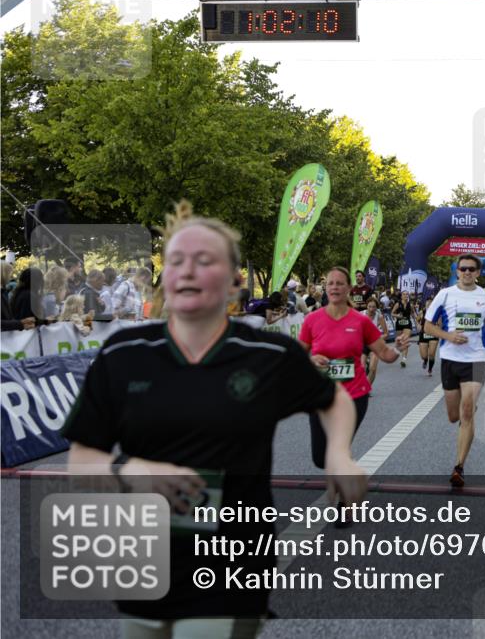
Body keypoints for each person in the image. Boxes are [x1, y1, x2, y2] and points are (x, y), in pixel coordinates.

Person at [61, 202, 366, 634]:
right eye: (176, 262)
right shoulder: (122, 355)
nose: (186, 271)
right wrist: (133, 470)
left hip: (234, 559)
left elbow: (333, 397)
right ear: (164, 277)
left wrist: (339, 454)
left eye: (204, 261)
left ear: (234, 282)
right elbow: (80, 460)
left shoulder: (267, 356)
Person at [300, 266, 406, 469]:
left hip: (354, 395)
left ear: (348, 288)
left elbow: (384, 354)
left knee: (339, 447)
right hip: (321, 394)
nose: (334, 287)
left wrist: (398, 349)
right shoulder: (312, 320)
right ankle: (349, 473)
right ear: (325, 288)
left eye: (340, 283)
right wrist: (311, 360)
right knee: (320, 458)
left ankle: (345, 497)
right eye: (330, 283)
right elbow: (296, 355)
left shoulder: (361, 321)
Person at [422, 254, 485, 487]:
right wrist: (448, 336)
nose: (467, 272)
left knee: (466, 412)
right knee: (453, 416)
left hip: (476, 359)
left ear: (478, 272)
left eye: (471, 269)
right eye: (463, 268)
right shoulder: (445, 294)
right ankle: (466, 411)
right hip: (449, 359)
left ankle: (459, 466)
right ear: (457, 271)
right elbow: (427, 325)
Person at [362, 297, 390, 387]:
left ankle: (367, 387)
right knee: (361, 368)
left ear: (376, 308)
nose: (371, 309)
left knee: (372, 369)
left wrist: (378, 339)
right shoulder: (360, 314)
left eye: (373, 307)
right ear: (366, 306)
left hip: (374, 345)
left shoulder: (379, 316)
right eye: (369, 306)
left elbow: (386, 333)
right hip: (362, 344)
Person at [391, 291, 415, 368]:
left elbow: (413, 314)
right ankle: (400, 352)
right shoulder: (398, 304)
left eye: (407, 294)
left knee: (405, 340)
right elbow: (392, 313)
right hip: (399, 324)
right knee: (400, 342)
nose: (405, 296)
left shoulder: (410, 305)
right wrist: (397, 315)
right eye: (404, 294)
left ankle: (404, 359)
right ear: (401, 296)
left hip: (407, 323)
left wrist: (417, 322)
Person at [416, 298, 440, 378]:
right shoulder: (422, 312)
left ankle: (430, 369)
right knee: (424, 356)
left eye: (431, 305)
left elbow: (440, 324)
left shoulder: (437, 313)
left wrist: (438, 328)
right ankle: (425, 360)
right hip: (423, 334)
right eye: (428, 305)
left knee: (432, 354)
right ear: (425, 306)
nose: (429, 306)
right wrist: (418, 325)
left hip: (433, 335)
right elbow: (417, 320)